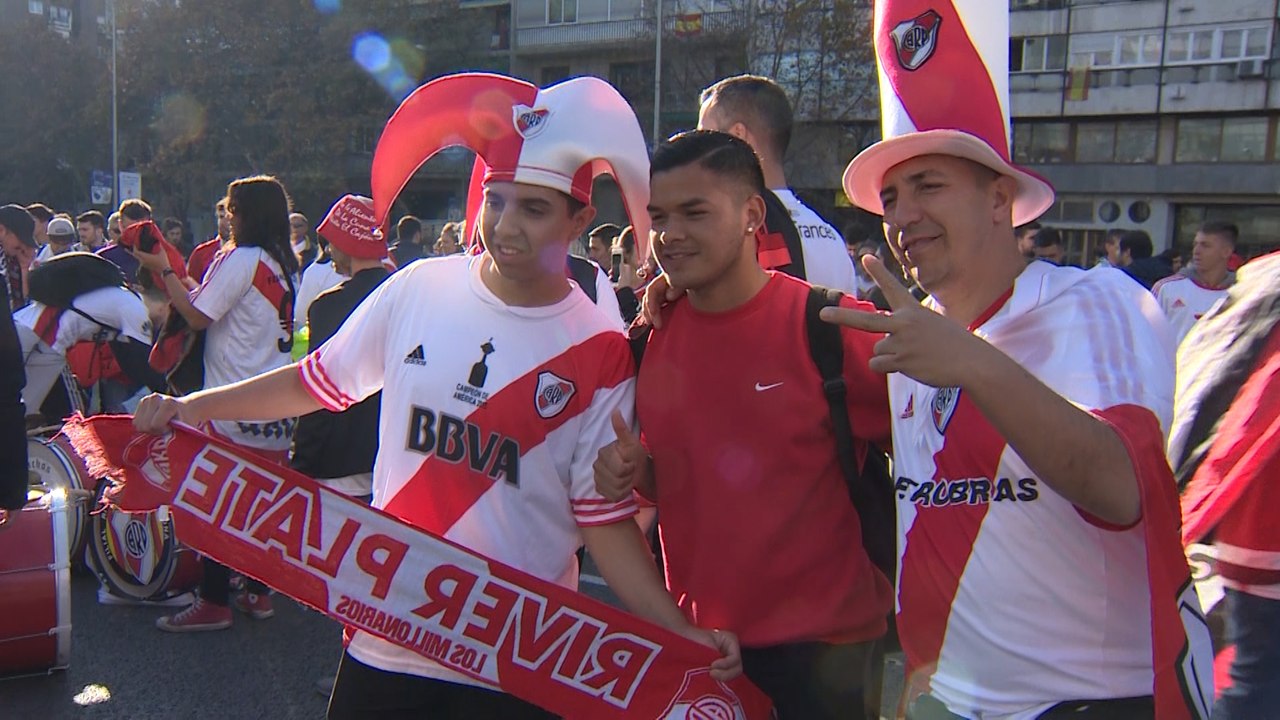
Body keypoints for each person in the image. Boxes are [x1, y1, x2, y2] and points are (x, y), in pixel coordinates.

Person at [133, 72, 739, 718]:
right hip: (385, 640)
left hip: (515, 660)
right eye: (498, 201)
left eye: (534, 209)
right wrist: (191, 407)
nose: (506, 226)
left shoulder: (601, 347)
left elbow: (602, 522)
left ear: (581, 217)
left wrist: (679, 631)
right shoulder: (417, 288)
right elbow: (314, 383)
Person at [831, 3, 1211, 718]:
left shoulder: (1095, 301)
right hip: (943, 699)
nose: (902, 215)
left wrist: (974, 363)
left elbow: (1124, 488)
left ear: (1001, 200)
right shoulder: (913, 335)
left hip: (1087, 703)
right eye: (890, 198)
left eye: (929, 186)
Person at [595, 130, 892, 719]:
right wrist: (636, 471)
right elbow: (677, 477)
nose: (670, 235)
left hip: (828, 658)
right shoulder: (650, 337)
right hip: (702, 648)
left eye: (694, 213)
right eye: (659, 218)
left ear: (752, 214)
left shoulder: (830, 325)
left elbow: (941, 453)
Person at [133, 175, 300, 632]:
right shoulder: (289, 262)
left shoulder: (241, 258)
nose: (228, 215)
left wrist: (164, 270)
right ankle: (258, 593)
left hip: (229, 402)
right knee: (260, 507)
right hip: (272, 406)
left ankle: (212, 601)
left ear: (248, 214)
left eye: (233, 208)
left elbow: (196, 314)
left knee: (214, 503)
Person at [1170, 250, 1280, 719]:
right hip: (1264, 528)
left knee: (1253, 673)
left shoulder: (1262, 283)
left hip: (1251, 522)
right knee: (1256, 679)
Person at [696, 75, 857, 294]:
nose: (696, 153)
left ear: (738, 137)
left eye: (704, 138)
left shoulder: (727, 235)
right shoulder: (833, 241)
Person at [1153, 221, 1238, 346]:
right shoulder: (1166, 288)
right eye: (1195, 244)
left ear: (1226, 252)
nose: (1196, 251)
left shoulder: (1242, 292)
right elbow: (1144, 337)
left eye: (1205, 245)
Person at [187, 198, 232, 283]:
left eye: (230, 217)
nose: (226, 222)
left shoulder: (251, 254)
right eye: (222, 217)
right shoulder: (201, 253)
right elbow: (189, 286)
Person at [0, 204, 37, 308]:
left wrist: (25, 268)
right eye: (21, 239)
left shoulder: (14, 259)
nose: (23, 246)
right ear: (1, 230)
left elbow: (28, 303)